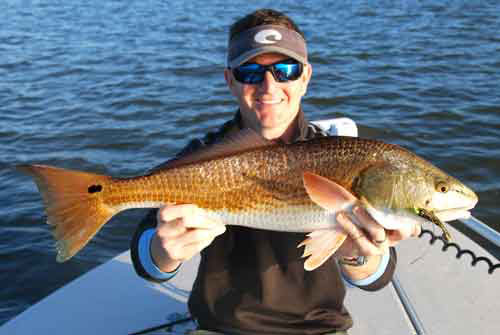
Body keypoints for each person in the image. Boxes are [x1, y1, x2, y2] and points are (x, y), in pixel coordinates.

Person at [131, 9, 421, 335]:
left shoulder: (342, 155)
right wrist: (162, 252)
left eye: (285, 70)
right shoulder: (200, 158)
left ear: (306, 77)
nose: (269, 86)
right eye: (250, 72)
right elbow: (146, 260)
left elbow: (377, 277)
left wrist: (356, 256)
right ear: (230, 80)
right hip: (221, 328)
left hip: (319, 329)